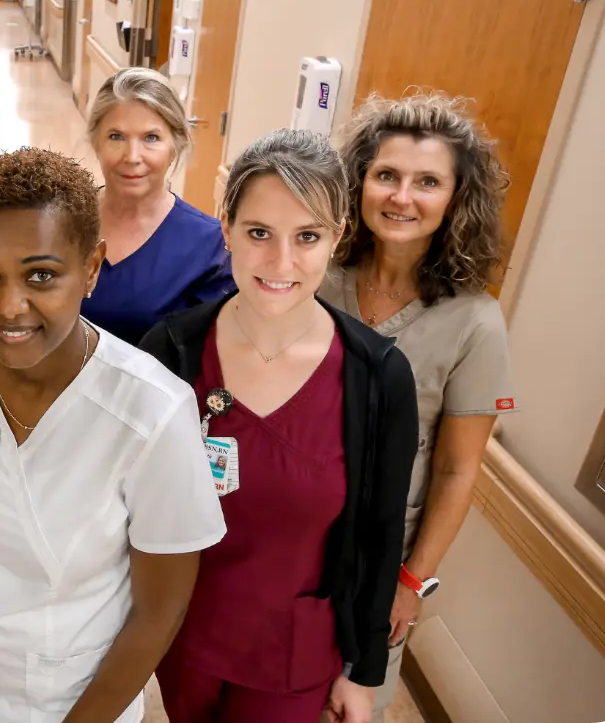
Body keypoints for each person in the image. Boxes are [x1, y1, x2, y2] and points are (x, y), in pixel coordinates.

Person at [0, 147, 227, 723]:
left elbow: (160, 610)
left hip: (76, 693)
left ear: (93, 268)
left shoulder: (151, 412)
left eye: (41, 275)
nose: (9, 306)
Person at [140, 128, 419, 723]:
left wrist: (363, 674)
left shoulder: (377, 377)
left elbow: (380, 534)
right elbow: (129, 506)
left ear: (338, 237)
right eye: (259, 233)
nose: (281, 263)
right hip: (181, 639)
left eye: (308, 237)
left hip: (295, 654)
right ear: (227, 229)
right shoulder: (172, 350)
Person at [318, 92, 518, 722]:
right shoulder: (316, 275)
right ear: (359, 184)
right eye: (386, 176)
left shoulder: (475, 322)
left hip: (382, 559)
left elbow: (459, 470)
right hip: (286, 531)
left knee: (351, 707)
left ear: (457, 198)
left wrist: (412, 582)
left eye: (427, 181)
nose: (402, 197)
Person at [80, 68, 233, 345]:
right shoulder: (60, 221)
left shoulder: (210, 247)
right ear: (96, 142)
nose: (132, 156)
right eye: (116, 136)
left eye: (151, 138)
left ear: (175, 145)